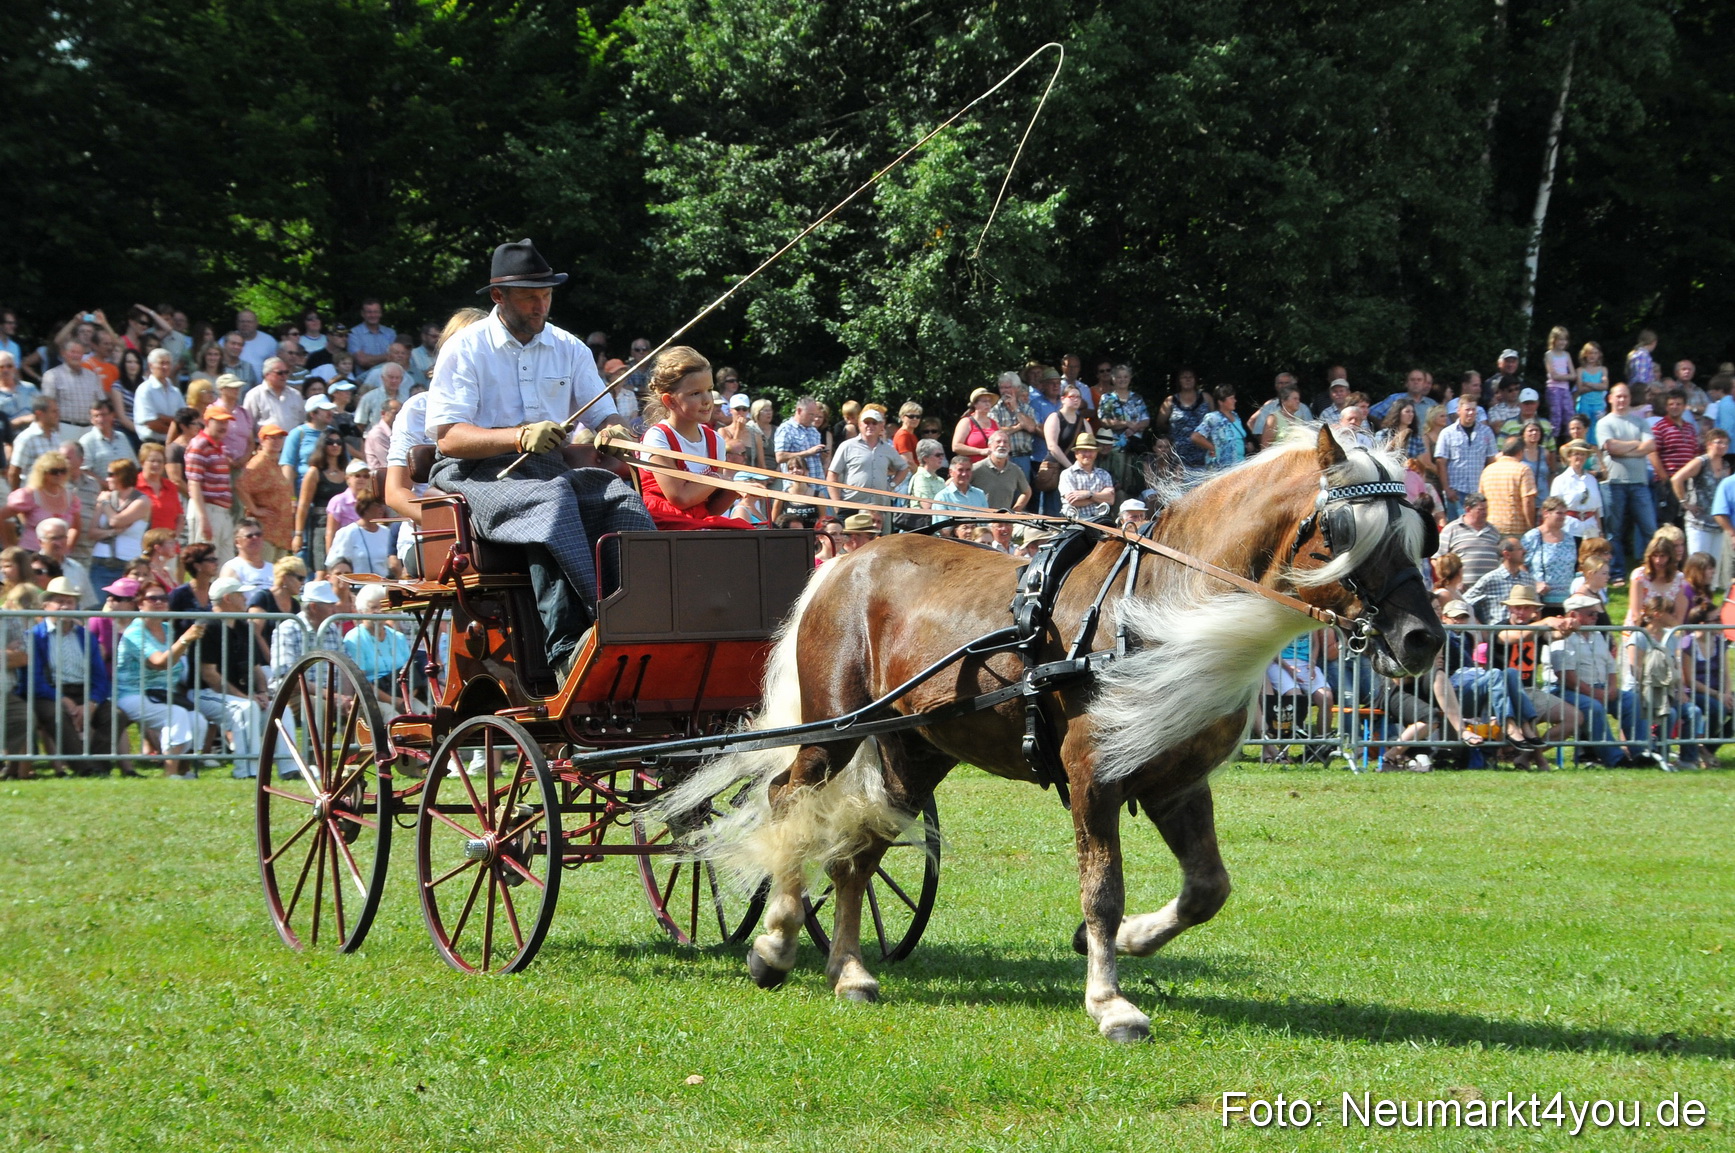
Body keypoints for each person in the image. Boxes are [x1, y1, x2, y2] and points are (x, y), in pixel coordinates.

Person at [427, 238, 654, 675]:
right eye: (530, 296)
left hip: (547, 472)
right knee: (549, 502)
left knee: (618, 495)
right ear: (498, 296)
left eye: (546, 294)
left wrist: (612, 431)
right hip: (475, 475)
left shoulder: (569, 347)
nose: (541, 305)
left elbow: (604, 412)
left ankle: (635, 621)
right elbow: (449, 439)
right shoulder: (467, 348)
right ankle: (566, 647)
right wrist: (518, 436)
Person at [635, 347, 753, 531]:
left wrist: (733, 489)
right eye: (695, 393)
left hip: (698, 523)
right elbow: (680, 498)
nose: (707, 400)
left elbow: (709, 509)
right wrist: (718, 478)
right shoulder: (658, 437)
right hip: (663, 524)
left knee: (748, 534)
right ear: (670, 401)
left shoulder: (715, 441)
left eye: (709, 389)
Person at [196, 576, 288, 780]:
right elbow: (209, 675)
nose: (246, 598)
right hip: (205, 693)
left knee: (281, 709)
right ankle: (248, 772)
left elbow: (256, 668)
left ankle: (289, 768)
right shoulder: (207, 626)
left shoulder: (243, 627)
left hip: (238, 696)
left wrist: (263, 692)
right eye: (241, 594)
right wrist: (245, 697)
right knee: (246, 709)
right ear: (228, 598)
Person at [113, 581, 207, 780]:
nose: (159, 602)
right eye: (152, 598)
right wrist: (185, 639)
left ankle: (184, 770)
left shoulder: (167, 629)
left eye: (163, 598)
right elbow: (158, 662)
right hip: (132, 694)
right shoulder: (135, 632)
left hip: (163, 694)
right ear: (140, 604)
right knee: (177, 715)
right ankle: (170, 773)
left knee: (197, 719)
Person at [30, 577, 114, 777]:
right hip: (49, 693)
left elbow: (100, 677)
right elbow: (34, 679)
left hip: (84, 691)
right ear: (45, 606)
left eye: (70, 601)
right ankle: (83, 768)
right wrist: (62, 699)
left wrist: (92, 703)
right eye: (59, 601)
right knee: (55, 714)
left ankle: (100, 767)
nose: (65, 606)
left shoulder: (86, 637)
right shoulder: (34, 636)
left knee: (114, 715)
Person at [1595, 384, 1657, 579]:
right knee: (1615, 531)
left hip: (1639, 483)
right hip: (1614, 483)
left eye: (1625, 397)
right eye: (1618, 397)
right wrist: (1636, 444)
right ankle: (1617, 573)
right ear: (1610, 399)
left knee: (1650, 528)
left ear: (1630, 398)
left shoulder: (1640, 422)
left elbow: (1651, 446)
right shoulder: (1605, 423)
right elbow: (1611, 447)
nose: (1622, 400)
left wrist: (1625, 449)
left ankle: (1653, 570)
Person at [88, 459, 151, 591]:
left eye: (111, 474)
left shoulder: (141, 501)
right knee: (99, 608)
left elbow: (115, 521)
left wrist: (105, 504)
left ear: (122, 476)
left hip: (128, 564)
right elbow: (92, 533)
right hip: (101, 562)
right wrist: (113, 532)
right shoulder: (106, 497)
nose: (107, 478)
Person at [184, 404, 236, 562]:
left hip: (221, 512)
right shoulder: (199, 445)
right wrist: (203, 518)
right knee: (204, 563)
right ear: (207, 422)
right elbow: (194, 484)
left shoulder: (220, 446)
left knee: (225, 566)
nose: (224, 426)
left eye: (226, 422)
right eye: (219, 422)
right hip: (207, 509)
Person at [292, 432, 349, 573]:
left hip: (345, 525)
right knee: (322, 569)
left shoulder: (347, 472)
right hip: (321, 525)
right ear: (323, 445)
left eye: (339, 442)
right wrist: (298, 535)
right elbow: (303, 505)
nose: (335, 445)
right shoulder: (314, 472)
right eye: (330, 442)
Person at [345, 583, 412, 702]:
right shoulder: (355, 638)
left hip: (404, 695)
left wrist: (407, 698)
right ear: (361, 611)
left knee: (425, 713)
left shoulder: (398, 637)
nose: (379, 611)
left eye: (383, 606)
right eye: (374, 607)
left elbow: (412, 672)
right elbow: (361, 680)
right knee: (390, 716)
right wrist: (391, 700)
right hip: (373, 698)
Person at [1672, 426, 1730, 563]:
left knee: (1713, 569)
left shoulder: (1726, 466)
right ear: (1709, 444)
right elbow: (1677, 479)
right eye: (1719, 442)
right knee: (1697, 565)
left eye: (1726, 443)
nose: (1723, 446)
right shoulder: (1700, 462)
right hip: (1698, 523)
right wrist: (1684, 502)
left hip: (1718, 524)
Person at [1433, 398, 1497, 518]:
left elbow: (1491, 461)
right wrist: (1447, 489)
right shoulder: (1447, 433)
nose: (1471, 413)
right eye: (1467, 409)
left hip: (1479, 490)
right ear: (1459, 411)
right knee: (1455, 527)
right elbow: (1441, 463)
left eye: (1473, 409)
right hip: (1456, 491)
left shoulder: (1486, 432)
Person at [8, 451, 81, 553]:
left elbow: (75, 527)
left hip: (58, 557)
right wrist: (10, 546)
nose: (59, 475)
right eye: (54, 471)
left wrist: (67, 547)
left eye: (63, 470)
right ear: (43, 472)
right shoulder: (30, 494)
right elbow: (2, 517)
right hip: (30, 552)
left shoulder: (71, 498)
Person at [1520, 498, 1577, 609]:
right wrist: (1534, 584)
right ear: (1546, 513)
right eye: (1559, 513)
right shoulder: (1532, 537)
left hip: (1567, 600)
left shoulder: (1569, 539)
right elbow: (1520, 565)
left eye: (1565, 513)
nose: (1563, 517)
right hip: (1541, 599)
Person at [1464, 536, 1535, 624]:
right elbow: (1464, 602)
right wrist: (1478, 625)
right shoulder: (1490, 579)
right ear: (1507, 554)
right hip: (1497, 633)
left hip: (1523, 633)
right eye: (1520, 549)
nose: (1525, 552)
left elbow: (1536, 607)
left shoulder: (1528, 579)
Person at [1624, 531, 1688, 626]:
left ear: (1670, 557)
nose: (1658, 560)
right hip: (1641, 629)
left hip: (1668, 629)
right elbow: (1635, 614)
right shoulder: (1639, 576)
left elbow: (1679, 617)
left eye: (1662, 556)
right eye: (1655, 555)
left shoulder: (1679, 579)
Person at [1481, 436, 1538, 537]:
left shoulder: (1487, 470)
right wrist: (1531, 527)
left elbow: (1481, 499)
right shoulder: (1523, 470)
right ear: (1521, 452)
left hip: (1490, 527)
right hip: (1515, 529)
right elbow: (1528, 502)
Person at [327, 497, 397, 577]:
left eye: (382, 505)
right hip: (356, 587)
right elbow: (334, 562)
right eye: (377, 505)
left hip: (383, 586)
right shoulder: (348, 532)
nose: (381, 509)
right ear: (365, 508)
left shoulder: (387, 532)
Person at [1058, 432, 1115, 521]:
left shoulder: (1104, 474)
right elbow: (1073, 501)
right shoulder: (1067, 474)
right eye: (1084, 450)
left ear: (1096, 453)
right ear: (1076, 453)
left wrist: (1088, 494)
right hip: (1074, 522)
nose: (1088, 454)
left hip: (1099, 522)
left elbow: (1111, 499)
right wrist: (1099, 497)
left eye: (1091, 451)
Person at [1192, 384, 1244, 470]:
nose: (1235, 400)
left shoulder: (1236, 416)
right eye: (1231, 398)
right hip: (1221, 468)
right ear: (1221, 402)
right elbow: (1196, 437)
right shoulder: (1213, 418)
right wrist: (1213, 448)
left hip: (1239, 466)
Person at [135, 443, 181, 533]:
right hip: (142, 543)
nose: (156, 464)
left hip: (169, 544)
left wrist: (174, 538)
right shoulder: (133, 485)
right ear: (142, 463)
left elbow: (179, 517)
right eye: (152, 461)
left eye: (160, 461)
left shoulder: (170, 486)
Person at [953, 387, 999, 461]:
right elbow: (956, 447)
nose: (987, 404)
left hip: (992, 468)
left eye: (989, 401)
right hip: (972, 468)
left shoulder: (995, 423)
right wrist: (980, 451)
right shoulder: (966, 422)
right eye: (984, 401)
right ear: (975, 404)